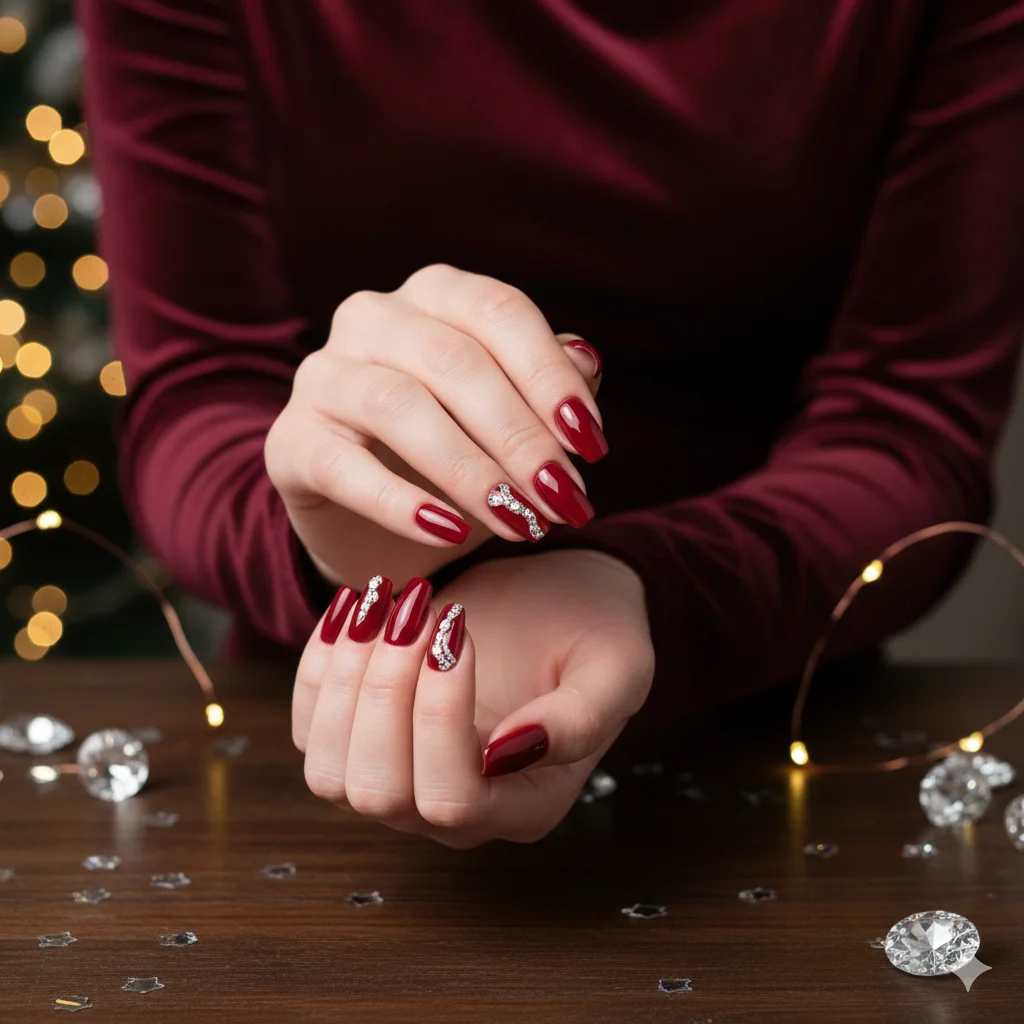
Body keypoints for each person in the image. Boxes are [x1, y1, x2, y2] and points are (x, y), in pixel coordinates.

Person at [79, 1, 1024, 847]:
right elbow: (195, 391)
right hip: (326, 725)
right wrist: (320, 534)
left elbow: (907, 422)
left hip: (783, 736)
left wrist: (648, 582)